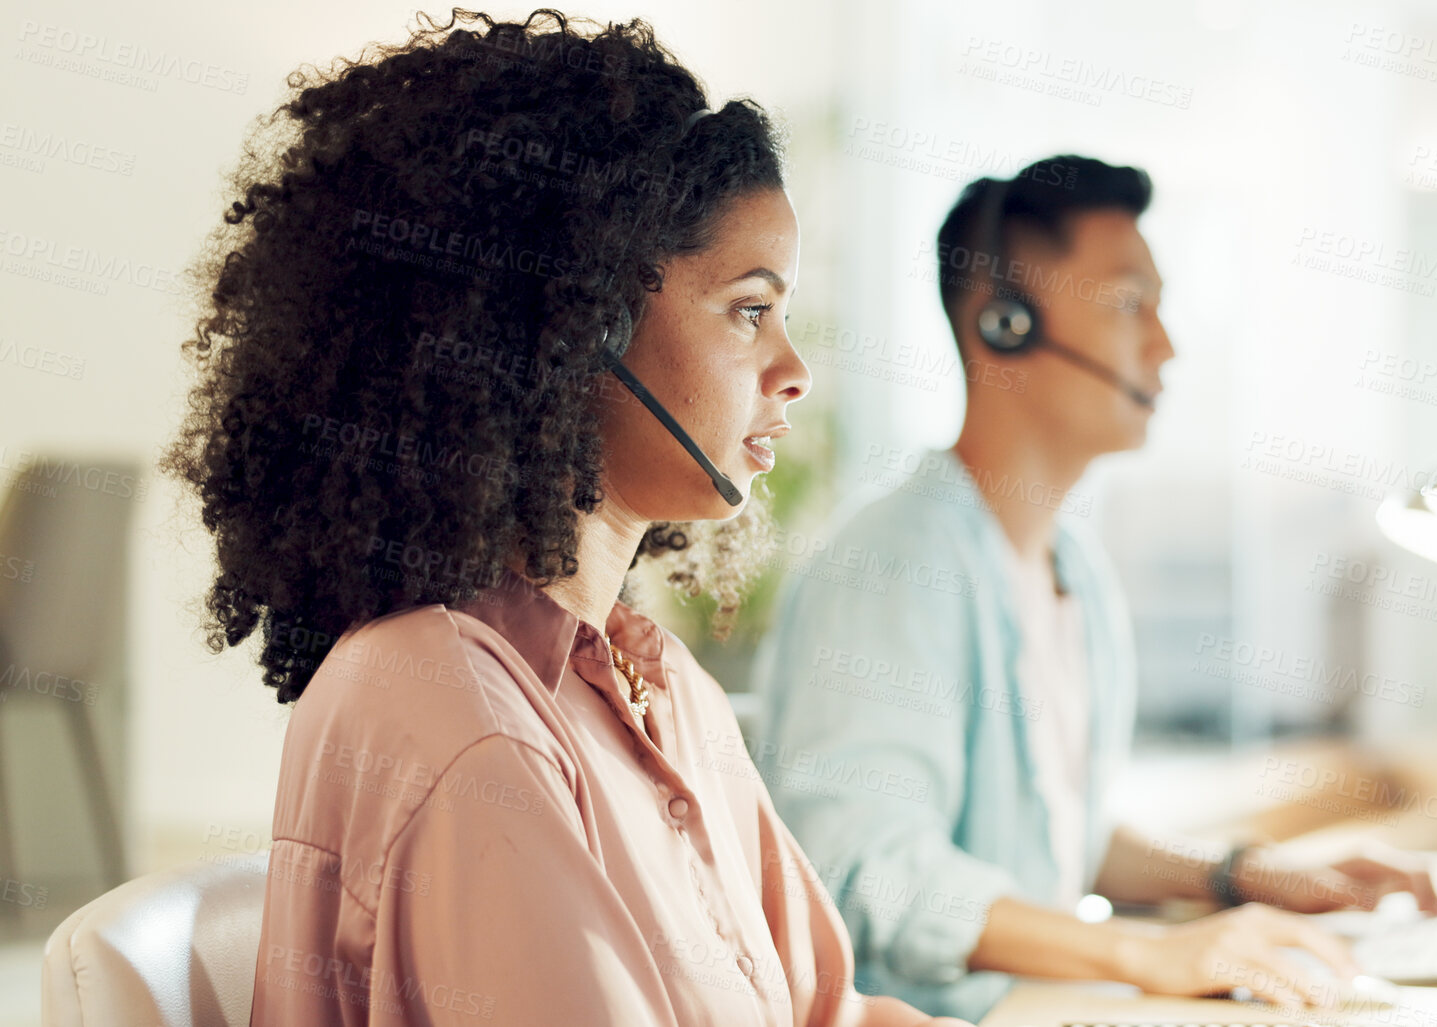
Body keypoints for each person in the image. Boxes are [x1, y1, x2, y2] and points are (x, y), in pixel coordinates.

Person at [163, 10, 967, 1025]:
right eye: (750, 311)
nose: (795, 371)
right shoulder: (446, 709)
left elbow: (827, 1012)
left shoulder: (666, 692)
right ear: (581, 324)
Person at [751, 156, 1437, 1022]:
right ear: (1004, 324)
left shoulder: (1068, 567)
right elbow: (866, 868)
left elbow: (1054, 838)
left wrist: (1240, 876)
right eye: (1127, 303)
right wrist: (1147, 953)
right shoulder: (892, 569)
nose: (1165, 344)